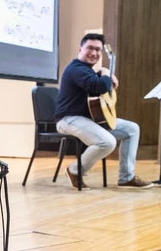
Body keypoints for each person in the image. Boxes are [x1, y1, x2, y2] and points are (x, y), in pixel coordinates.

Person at [54, 33, 152, 190]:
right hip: (68, 119)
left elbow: (99, 92)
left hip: (88, 119)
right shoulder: (77, 69)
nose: (94, 53)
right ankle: (74, 171)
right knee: (107, 142)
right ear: (80, 49)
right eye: (90, 48)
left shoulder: (89, 71)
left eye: (98, 50)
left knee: (132, 129)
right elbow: (98, 87)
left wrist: (106, 81)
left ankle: (126, 178)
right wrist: (106, 74)